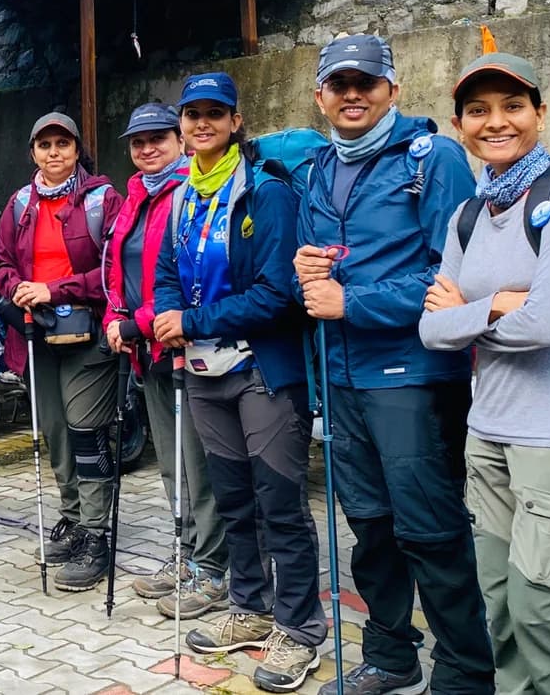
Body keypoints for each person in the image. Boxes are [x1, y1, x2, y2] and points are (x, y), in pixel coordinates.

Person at [293, 35, 494, 695]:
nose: (354, 94)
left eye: (367, 83)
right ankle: (390, 654)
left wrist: (351, 300)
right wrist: (308, 267)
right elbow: (319, 255)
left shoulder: (433, 158)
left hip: (411, 375)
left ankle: (465, 670)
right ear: (320, 95)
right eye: (340, 84)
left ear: (393, 90)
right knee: (371, 527)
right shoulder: (320, 167)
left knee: (429, 529)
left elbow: (453, 276)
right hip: (342, 377)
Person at [420, 53, 550, 694]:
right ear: (459, 124)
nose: (495, 122)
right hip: (491, 428)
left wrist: (478, 314)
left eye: (513, 106)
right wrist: (508, 304)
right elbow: (432, 331)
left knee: (542, 613)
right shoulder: (468, 215)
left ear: (540, 113)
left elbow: (542, 326)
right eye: (478, 111)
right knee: (499, 605)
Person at [148, 73, 327, 692]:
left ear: (235, 120)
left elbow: (279, 293)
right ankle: (250, 608)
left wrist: (190, 319)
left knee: (280, 501)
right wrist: (171, 316)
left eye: (214, 114)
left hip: (261, 371)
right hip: (203, 374)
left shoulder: (267, 193)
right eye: (192, 115)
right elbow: (168, 272)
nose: (202, 124)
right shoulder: (181, 196)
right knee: (233, 499)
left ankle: (300, 627)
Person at [101, 101, 230, 616]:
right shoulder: (134, 197)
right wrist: (116, 316)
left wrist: (142, 320)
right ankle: (183, 552)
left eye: (158, 138)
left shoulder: (191, 193)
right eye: (138, 142)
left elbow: (185, 274)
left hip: (181, 344)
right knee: (172, 461)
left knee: (198, 464)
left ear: (179, 141)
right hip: (145, 349)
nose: (148, 148)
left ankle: (212, 567)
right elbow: (118, 267)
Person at [0, 110, 124, 592]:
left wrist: (55, 289)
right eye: (45, 145)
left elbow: (113, 271)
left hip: (87, 334)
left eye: (62, 145)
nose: (54, 153)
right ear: (33, 152)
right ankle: (73, 517)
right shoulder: (19, 203)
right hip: (37, 336)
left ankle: (96, 533)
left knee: (87, 430)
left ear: (76, 151)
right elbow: (2, 263)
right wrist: (20, 289)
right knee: (55, 430)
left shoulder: (101, 200)